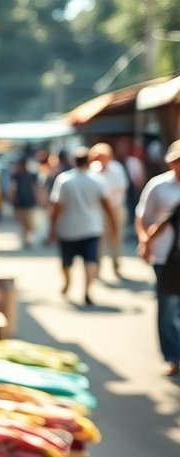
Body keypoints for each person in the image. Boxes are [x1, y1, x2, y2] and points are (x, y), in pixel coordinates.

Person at [49, 147, 117, 307]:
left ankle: (68, 282)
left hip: (68, 228)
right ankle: (87, 290)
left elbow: (56, 207)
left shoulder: (64, 179)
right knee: (90, 261)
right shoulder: (98, 180)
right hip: (91, 227)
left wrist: (52, 227)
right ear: (88, 161)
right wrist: (113, 224)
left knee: (67, 261)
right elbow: (108, 205)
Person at [135, 140, 180, 375]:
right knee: (168, 307)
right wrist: (145, 242)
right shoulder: (159, 186)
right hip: (164, 256)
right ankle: (173, 356)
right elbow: (145, 217)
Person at [90, 142, 130, 278]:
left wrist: (111, 206)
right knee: (98, 240)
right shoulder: (93, 170)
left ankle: (116, 263)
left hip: (115, 208)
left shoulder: (116, 169)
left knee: (116, 237)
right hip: (99, 211)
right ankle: (97, 267)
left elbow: (121, 189)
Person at [9, 158, 41, 249]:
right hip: (20, 204)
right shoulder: (16, 176)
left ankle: (28, 238)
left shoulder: (32, 175)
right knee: (23, 223)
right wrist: (14, 201)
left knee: (31, 223)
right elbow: (12, 189)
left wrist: (38, 199)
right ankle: (25, 239)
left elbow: (35, 188)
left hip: (30, 202)